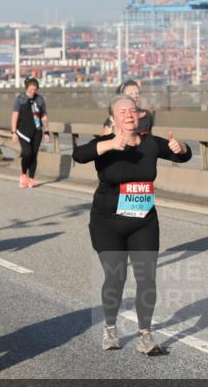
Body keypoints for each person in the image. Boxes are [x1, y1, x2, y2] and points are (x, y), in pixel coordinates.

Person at [72, 95, 191, 355]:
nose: (128, 114)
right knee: (116, 276)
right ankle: (110, 328)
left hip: (143, 221)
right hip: (108, 222)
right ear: (113, 118)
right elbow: (79, 155)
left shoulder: (150, 143)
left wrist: (181, 147)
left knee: (146, 277)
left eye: (132, 110)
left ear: (139, 115)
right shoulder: (104, 144)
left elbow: (184, 155)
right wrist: (111, 144)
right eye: (122, 111)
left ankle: (145, 334)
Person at [10, 77, 49, 188]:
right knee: (27, 153)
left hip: (37, 130)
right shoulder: (20, 99)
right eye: (31, 89)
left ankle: (31, 178)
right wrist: (13, 132)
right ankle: (23, 174)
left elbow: (44, 116)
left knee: (34, 154)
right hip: (23, 131)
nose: (33, 91)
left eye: (35, 89)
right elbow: (15, 116)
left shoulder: (40, 100)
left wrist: (46, 132)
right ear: (27, 88)